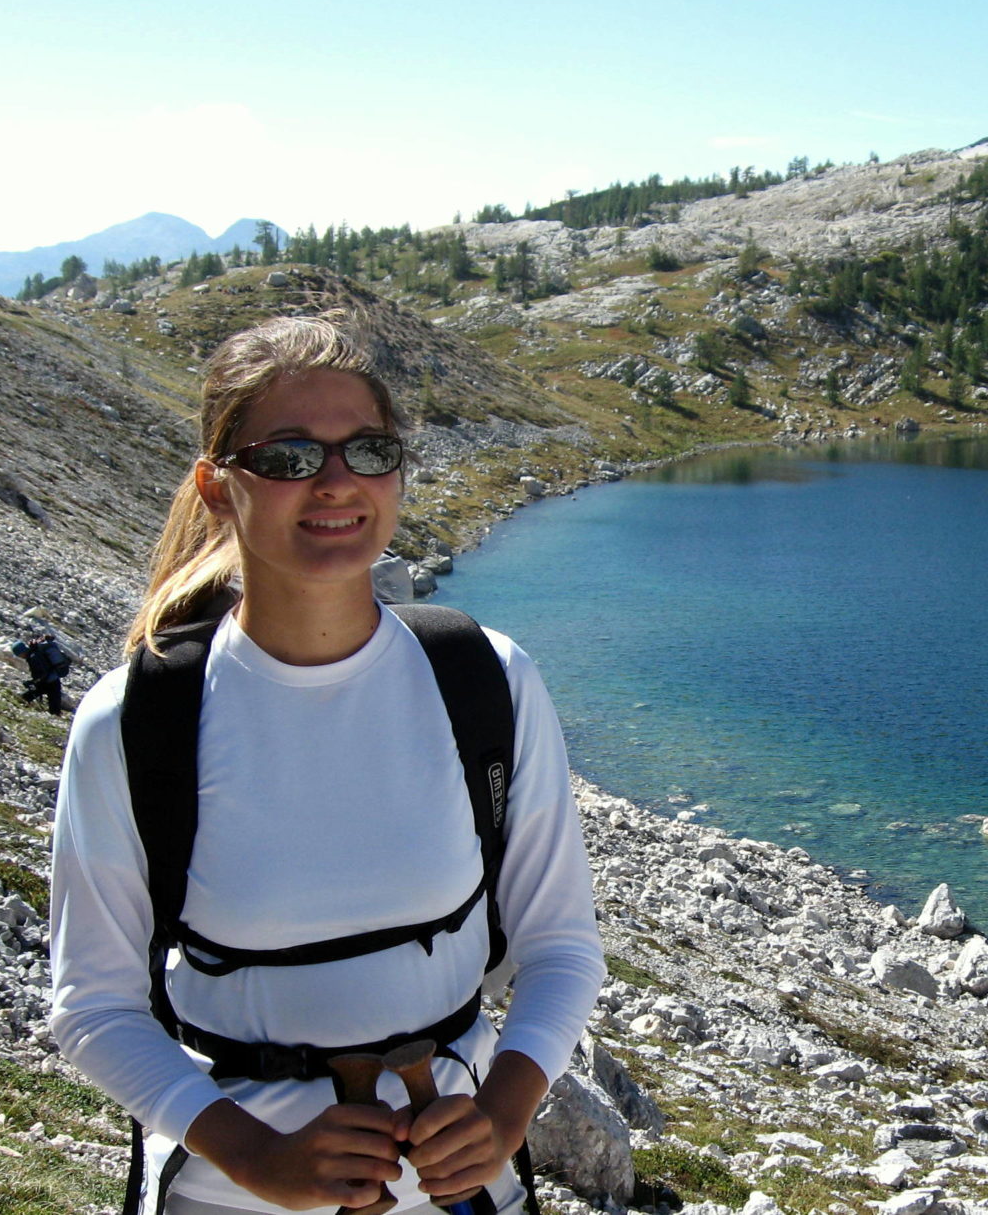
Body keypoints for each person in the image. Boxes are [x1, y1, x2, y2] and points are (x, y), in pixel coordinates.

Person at [48, 313, 604, 1215]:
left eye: (368, 450)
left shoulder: (486, 680)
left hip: (464, 1191)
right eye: (290, 457)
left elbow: (561, 945)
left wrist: (503, 1116)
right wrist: (259, 1158)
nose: (338, 482)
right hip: (231, 1198)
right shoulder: (135, 722)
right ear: (218, 486)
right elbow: (94, 1006)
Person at [14, 630, 72, 714]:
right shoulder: (34, 653)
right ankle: (55, 715)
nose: (20, 657)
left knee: (46, 699)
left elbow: (41, 672)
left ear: (21, 653)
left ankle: (23, 701)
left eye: (19, 655)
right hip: (52, 678)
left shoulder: (33, 657)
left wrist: (33, 682)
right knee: (54, 701)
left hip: (48, 681)